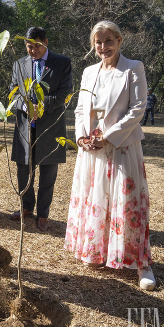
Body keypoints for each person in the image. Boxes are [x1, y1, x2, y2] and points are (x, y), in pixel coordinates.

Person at [65, 20, 155, 291]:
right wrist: (82, 137)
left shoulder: (133, 68)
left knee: (126, 201)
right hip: (92, 148)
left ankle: (142, 263)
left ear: (119, 40)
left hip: (122, 145)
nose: (104, 47)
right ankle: (98, 251)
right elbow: (81, 109)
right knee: (97, 197)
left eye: (108, 41)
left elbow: (138, 109)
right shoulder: (89, 71)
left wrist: (108, 136)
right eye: (98, 42)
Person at [9, 26, 73, 231]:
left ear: (45, 42)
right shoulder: (19, 64)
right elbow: (13, 92)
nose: (32, 50)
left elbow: (65, 92)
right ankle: (26, 207)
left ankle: (43, 214)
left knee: (48, 172)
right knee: (23, 169)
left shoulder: (62, 63)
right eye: (28, 46)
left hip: (50, 126)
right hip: (24, 126)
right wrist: (26, 106)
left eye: (36, 46)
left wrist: (41, 106)